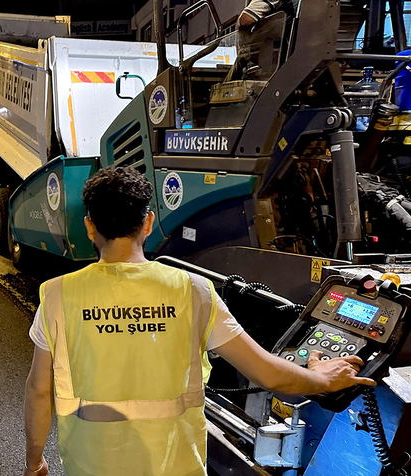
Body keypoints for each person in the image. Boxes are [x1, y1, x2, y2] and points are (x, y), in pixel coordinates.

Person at [22, 166, 374, 476]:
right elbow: (265, 373)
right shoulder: (193, 291)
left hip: (91, 466)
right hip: (176, 466)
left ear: (89, 227)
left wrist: (34, 463)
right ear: (147, 222)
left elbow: (39, 390)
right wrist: (321, 379)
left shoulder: (57, 295)